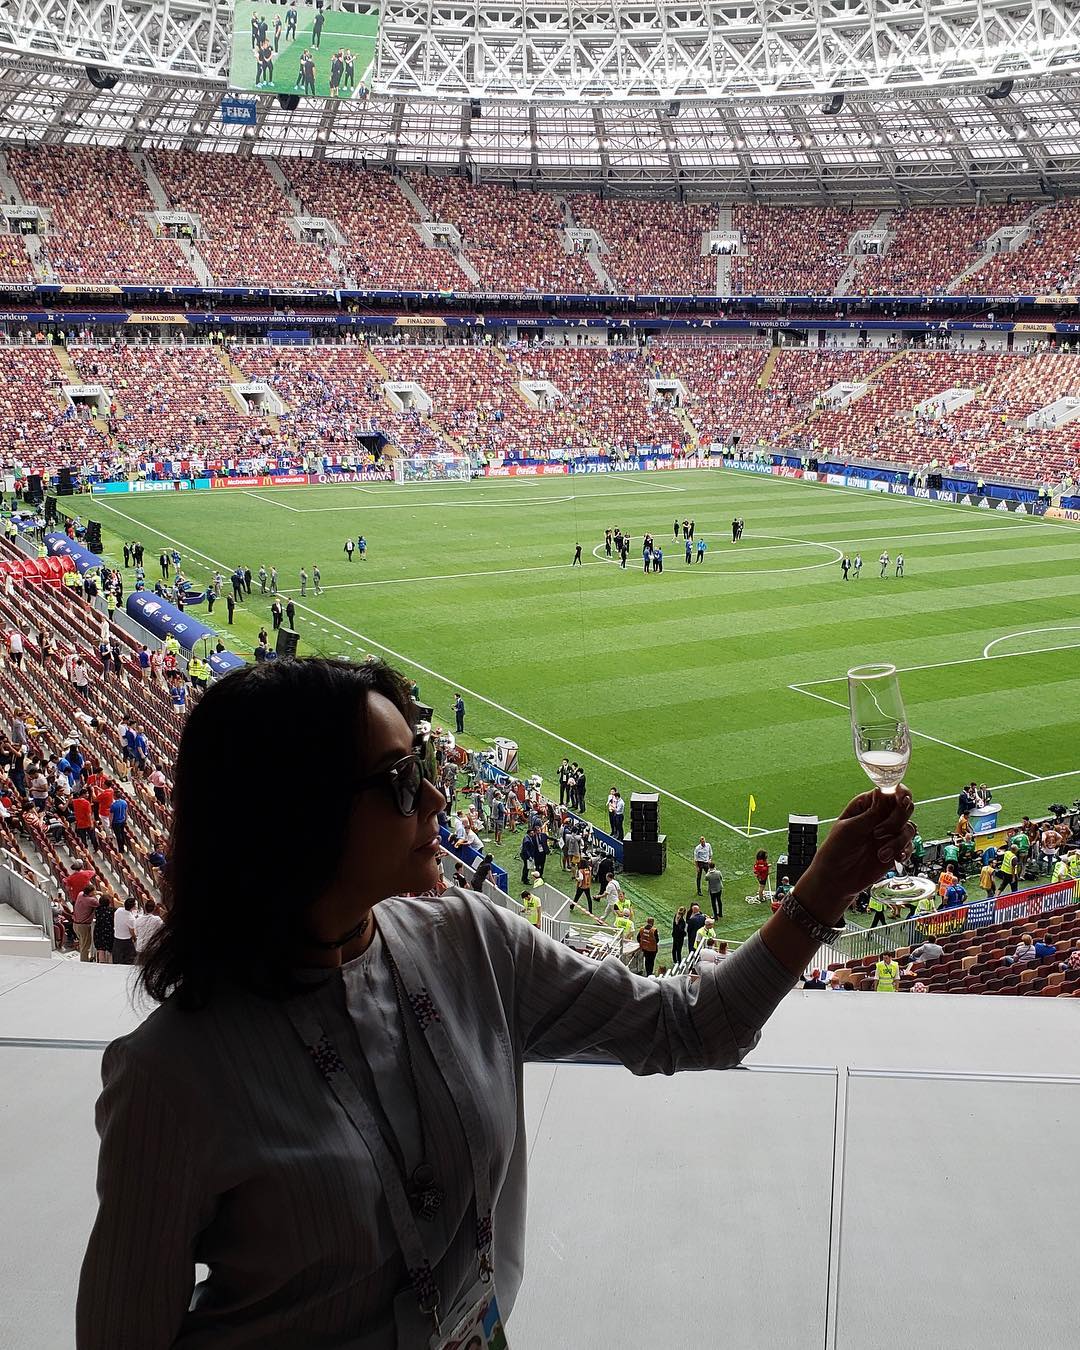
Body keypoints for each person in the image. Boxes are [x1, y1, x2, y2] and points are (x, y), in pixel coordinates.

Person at [77, 659, 914, 1347]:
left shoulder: (471, 941)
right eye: (401, 781)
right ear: (296, 814)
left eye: (424, 766)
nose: (436, 800)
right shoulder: (169, 1079)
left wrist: (820, 894)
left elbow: (689, 1027)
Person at [72, 885, 100, 961]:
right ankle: (84, 962)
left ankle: (85, 959)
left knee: (83, 945)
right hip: (83, 926)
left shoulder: (80, 894)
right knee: (85, 947)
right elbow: (99, 903)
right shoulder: (91, 900)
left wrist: (95, 893)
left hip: (76, 924)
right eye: (94, 891)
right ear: (90, 893)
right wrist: (97, 895)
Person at [112, 898, 137, 965]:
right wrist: (134, 938)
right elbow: (132, 931)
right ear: (133, 907)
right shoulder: (130, 918)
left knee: (117, 959)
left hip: (117, 938)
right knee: (129, 960)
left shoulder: (118, 910)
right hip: (126, 940)